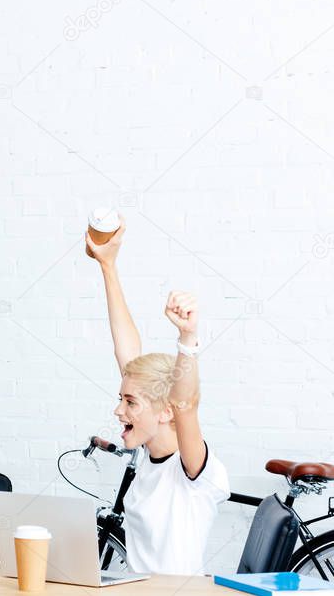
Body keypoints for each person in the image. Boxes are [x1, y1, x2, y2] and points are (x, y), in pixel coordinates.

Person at [87, 217, 230, 576]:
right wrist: (108, 266)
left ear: (166, 411)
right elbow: (128, 352)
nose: (119, 410)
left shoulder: (192, 470)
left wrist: (188, 339)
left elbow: (186, 405)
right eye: (123, 399)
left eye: (130, 402)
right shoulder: (149, 455)